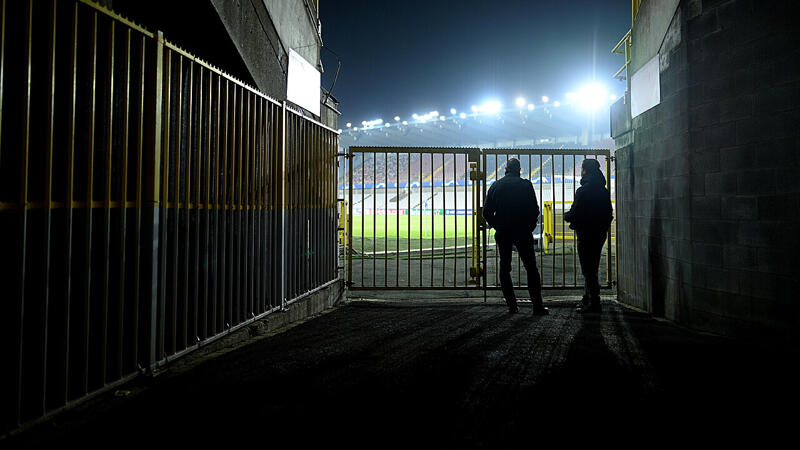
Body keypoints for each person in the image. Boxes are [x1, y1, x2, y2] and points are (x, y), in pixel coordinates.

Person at [482, 158, 548, 315]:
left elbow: (486, 213)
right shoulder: (525, 185)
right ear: (519, 170)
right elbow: (535, 210)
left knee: (505, 267)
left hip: (503, 231)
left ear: (506, 169)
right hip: (522, 231)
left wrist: (498, 225)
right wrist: (529, 227)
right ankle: (537, 306)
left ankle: (512, 306)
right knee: (531, 268)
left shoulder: (496, 186)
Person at [564, 158, 613, 313]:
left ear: (585, 170)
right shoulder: (603, 191)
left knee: (588, 269)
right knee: (593, 267)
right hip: (599, 233)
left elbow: (575, 212)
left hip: (586, 234)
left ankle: (594, 301)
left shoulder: (583, 190)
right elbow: (609, 214)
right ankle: (588, 298)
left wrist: (567, 216)